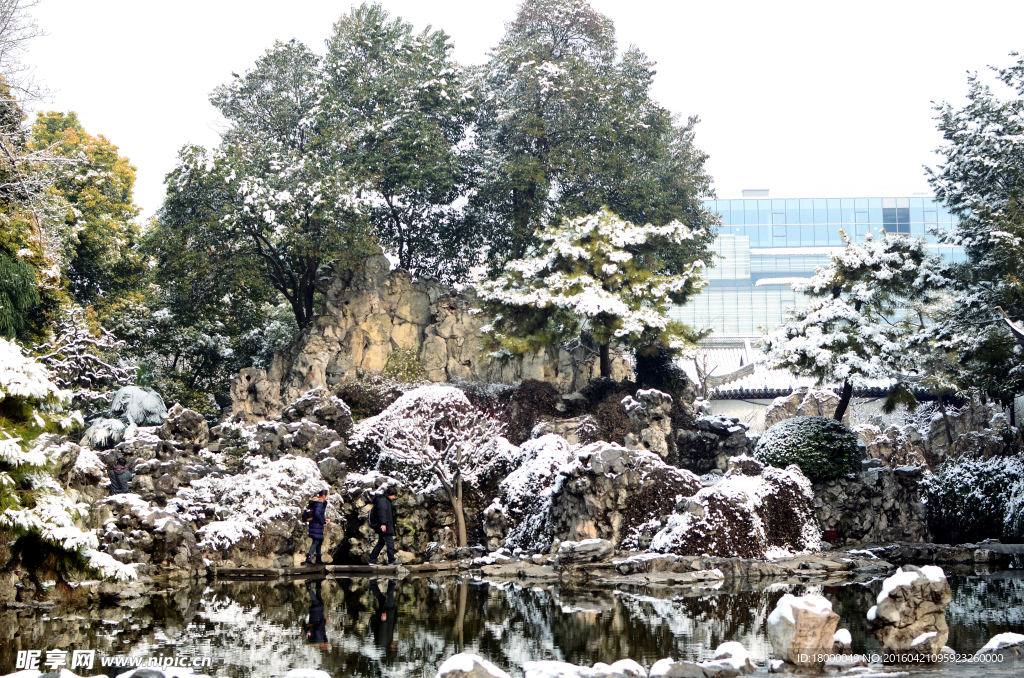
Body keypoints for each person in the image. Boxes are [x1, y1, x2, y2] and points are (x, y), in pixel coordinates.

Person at [368, 486, 397, 566]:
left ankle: (372, 560)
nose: (394, 497)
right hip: (385, 526)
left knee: (381, 543)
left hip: (385, 525)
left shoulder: (385, 500)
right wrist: (383, 524)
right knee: (390, 542)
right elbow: (382, 513)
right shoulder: (383, 501)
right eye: (394, 495)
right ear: (390, 494)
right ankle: (391, 561)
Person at [369, 578, 398, 654]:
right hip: (386, 615)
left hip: (386, 615)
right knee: (381, 598)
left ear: (390, 649)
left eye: (394, 647)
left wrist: (384, 621)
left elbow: (382, 631)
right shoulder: (386, 643)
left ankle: (393, 582)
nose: (394, 645)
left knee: (390, 597)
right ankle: (372, 583)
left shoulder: (384, 642)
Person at [303, 488, 329, 566]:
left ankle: (318, 560)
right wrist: (322, 521)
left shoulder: (317, 503)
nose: (328, 497)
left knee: (319, 541)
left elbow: (318, 514)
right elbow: (317, 514)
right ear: (324, 496)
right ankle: (308, 559)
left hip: (316, 524)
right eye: (327, 495)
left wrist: (324, 520)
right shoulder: (319, 503)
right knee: (316, 541)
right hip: (316, 524)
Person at [305, 578, 329, 652]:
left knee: (315, 600)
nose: (328, 645)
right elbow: (323, 632)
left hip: (316, 616)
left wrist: (324, 622)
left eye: (326, 647)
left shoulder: (319, 639)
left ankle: (308, 585)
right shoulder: (322, 638)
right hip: (318, 615)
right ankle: (318, 582)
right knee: (319, 599)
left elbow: (318, 629)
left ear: (323, 646)